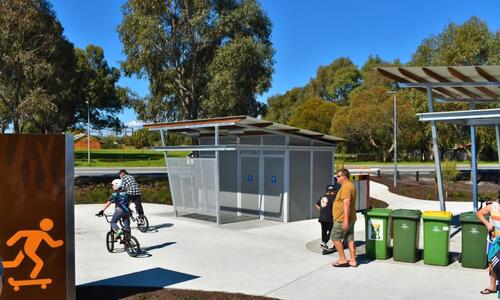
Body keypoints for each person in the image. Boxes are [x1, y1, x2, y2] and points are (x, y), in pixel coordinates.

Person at [331, 168, 357, 268]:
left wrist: (345, 220)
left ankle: (342, 259)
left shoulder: (346, 187)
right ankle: (353, 260)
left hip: (342, 219)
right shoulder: (350, 185)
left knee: (334, 237)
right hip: (351, 218)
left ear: (344, 177)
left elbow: (347, 203)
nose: (336, 177)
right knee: (350, 238)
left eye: (338, 176)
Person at [476, 191, 500, 295]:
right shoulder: (492, 207)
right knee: (492, 264)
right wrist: (487, 224)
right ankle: (492, 287)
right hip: (494, 241)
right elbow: (479, 213)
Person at [315, 184, 336, 250]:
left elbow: (316, 204)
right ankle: (324, 243)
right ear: (331, 191)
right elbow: (335, 208)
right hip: (329, 218)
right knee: (332, 232)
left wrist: (321, 210)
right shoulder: (332, 198)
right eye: (334, 191)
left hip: (322, 217)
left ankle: (324, 245)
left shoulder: (322, 197)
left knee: (324, 232)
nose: (335, 192)